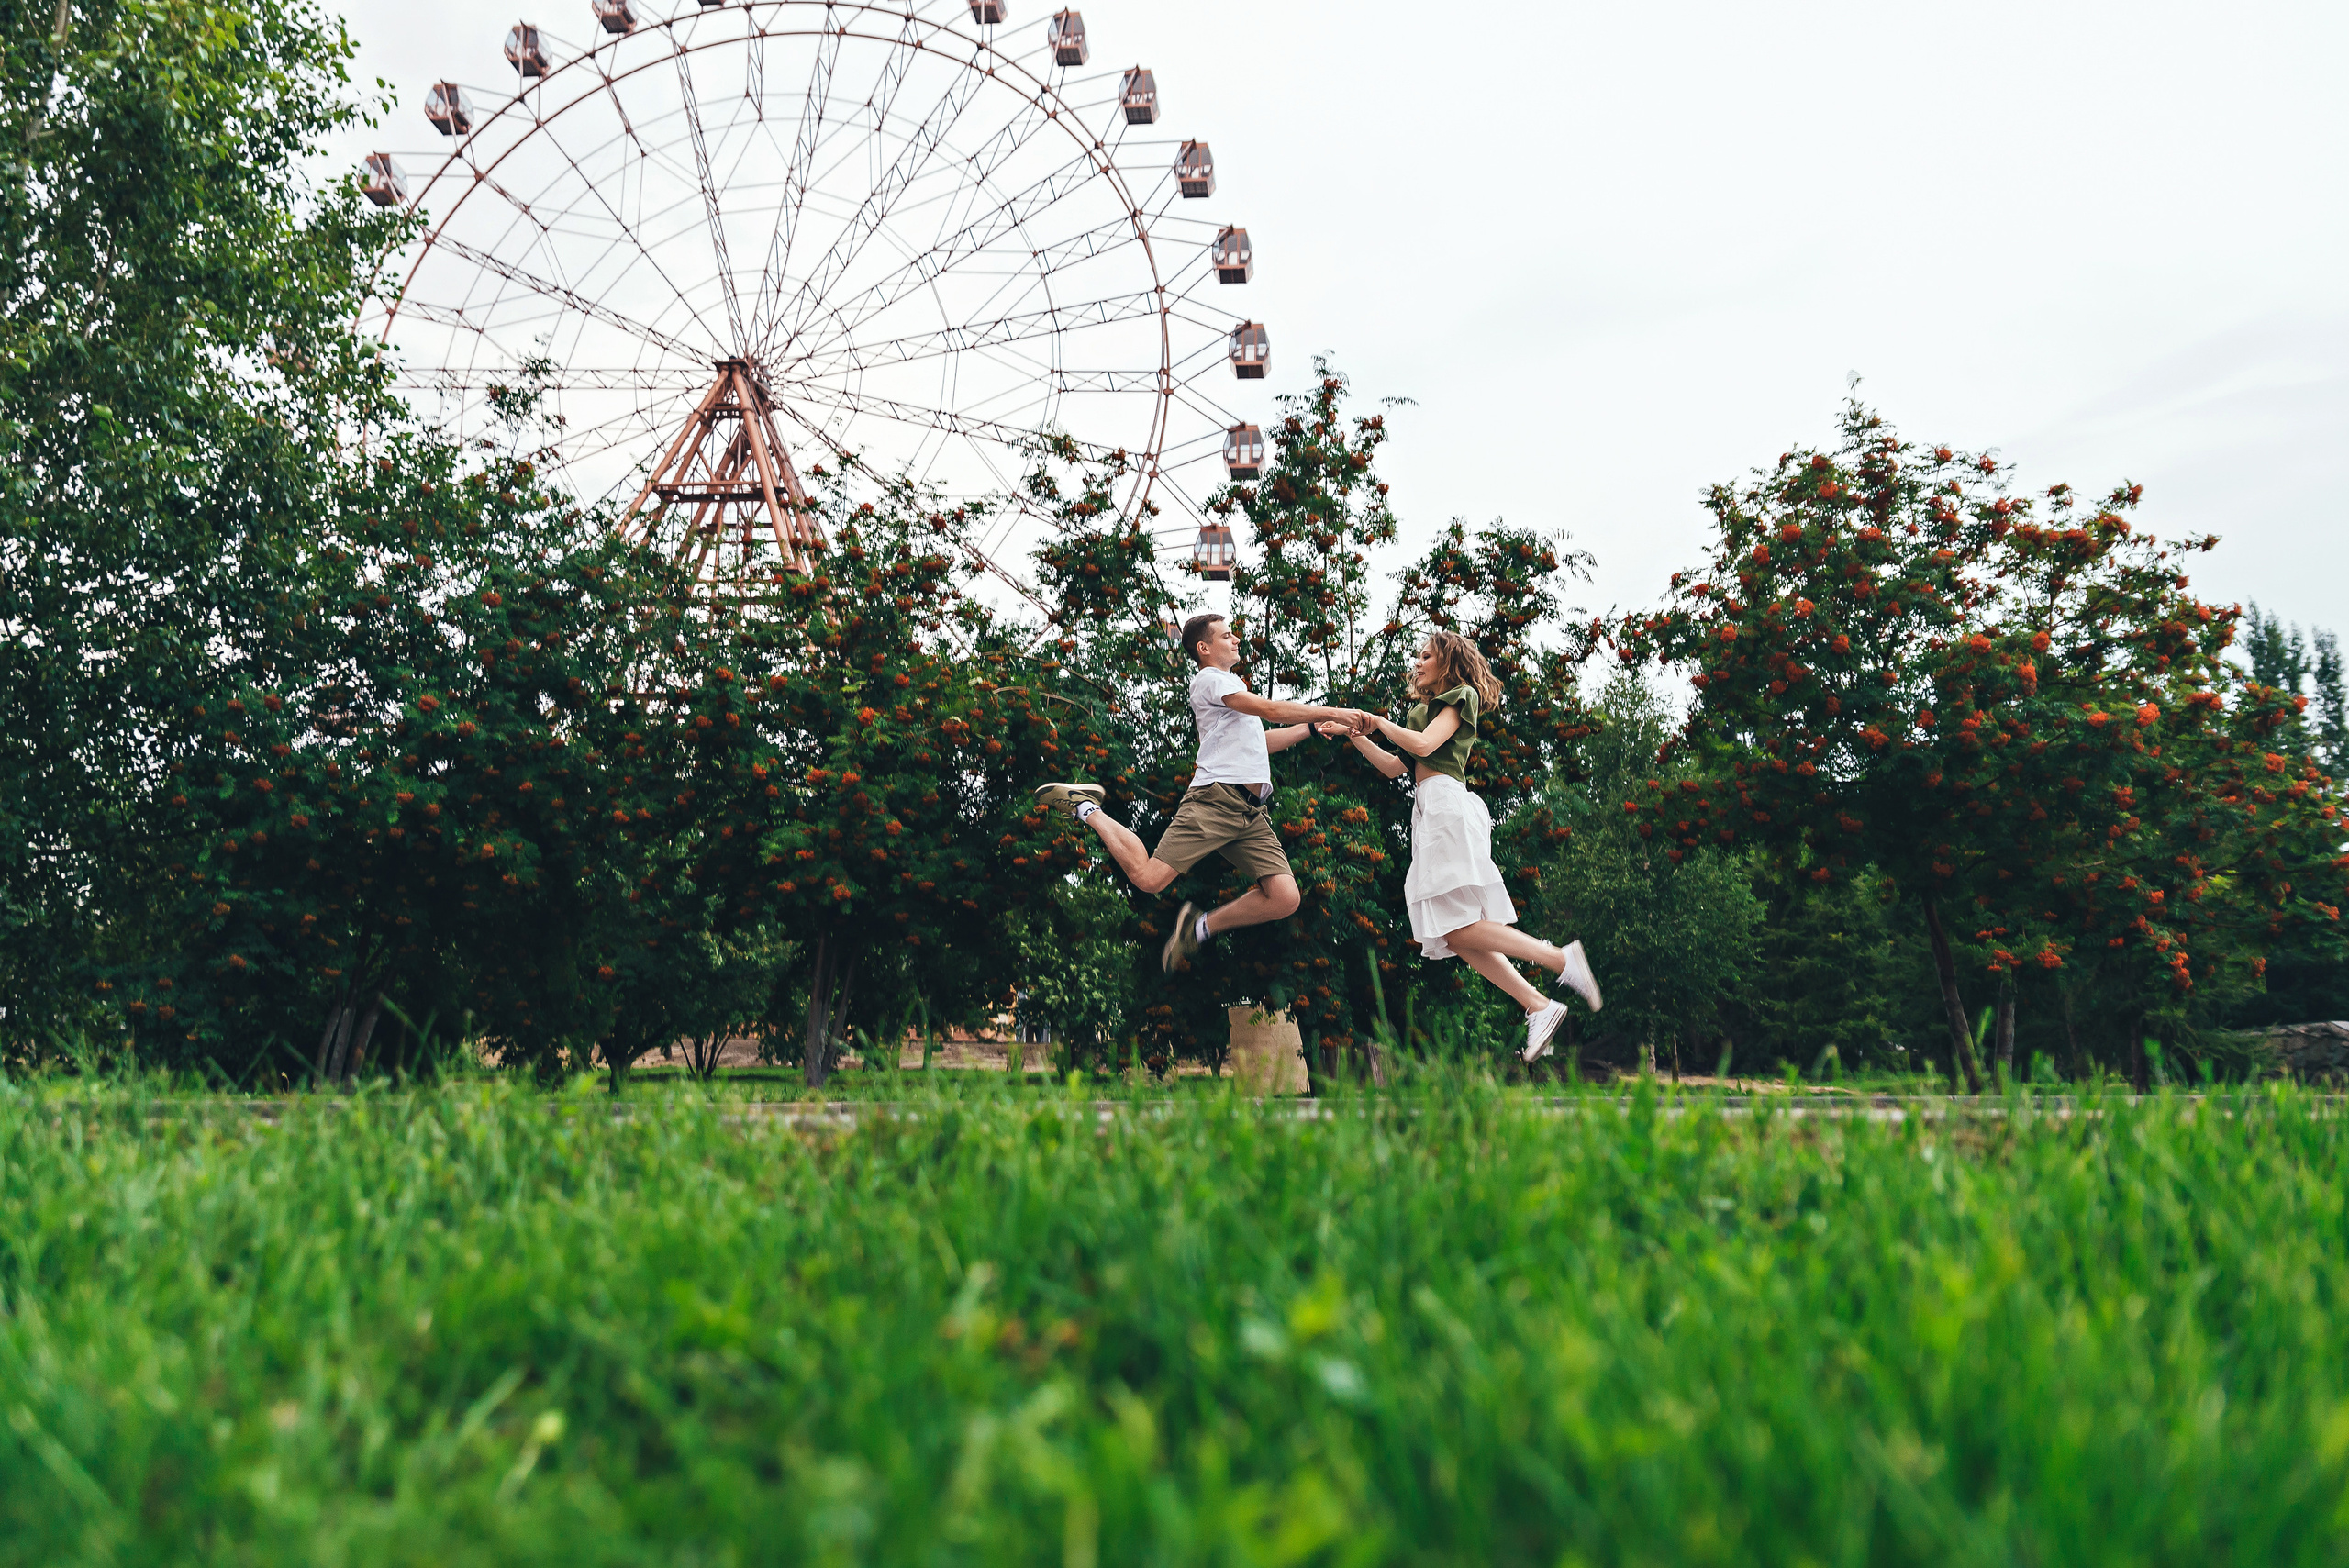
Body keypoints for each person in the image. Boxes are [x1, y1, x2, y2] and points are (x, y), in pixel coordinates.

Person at [1319, 628, 1602, 1062]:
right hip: (1429, 811)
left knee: (1456, 927)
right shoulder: (1419, 712)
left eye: (1426, 655)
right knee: (1454, 934)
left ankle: (1559, 961)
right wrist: (1355, 734)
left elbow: (1425, 745)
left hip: (1448, 807)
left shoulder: (1461, 697)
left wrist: (1377, 721)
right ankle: (1538, 1004)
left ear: (1447, 663)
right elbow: (1396, 766)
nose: (1418, 661)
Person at [1034, 613, 1369, 973]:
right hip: (1216, 799)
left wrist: (1312, 728)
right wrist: (1337, 710)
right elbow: (1271, 711)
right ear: (1204, 648)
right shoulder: (1209, 680)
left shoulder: (1229, 685)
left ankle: (1199, 929)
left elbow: (1261, 741)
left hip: (1250, 811)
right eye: (1227, 636)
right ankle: (1087, 808)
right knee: (1149, 879)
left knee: (1285, 898)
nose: (1237, 639)